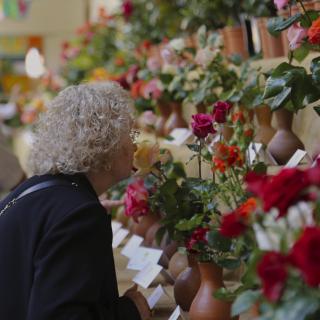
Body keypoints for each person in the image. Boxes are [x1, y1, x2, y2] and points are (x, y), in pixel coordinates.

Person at [0, 82, 151, 320]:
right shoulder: (79, 215)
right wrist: (131, 312)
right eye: (130, 135)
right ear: (105, 144)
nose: (134, 146)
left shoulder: (41, 190)